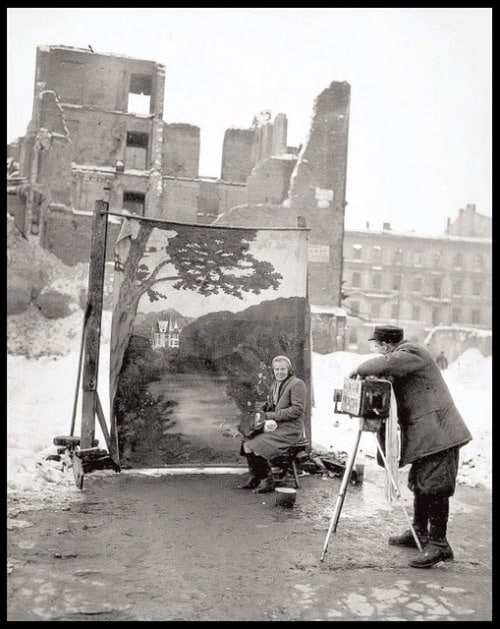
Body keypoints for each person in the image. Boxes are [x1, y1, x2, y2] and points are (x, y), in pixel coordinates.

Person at [349, 325, 472, 569]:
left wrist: (359, 370)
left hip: (441, 434)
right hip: (427, 436)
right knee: (419, 483)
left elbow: (384, 364)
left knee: (434, 487)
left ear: (386, 346)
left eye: (379, 347)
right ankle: (419, 532)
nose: (379, 351)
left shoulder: (412, 353)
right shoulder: (402, 362)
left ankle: (439, 544)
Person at [238, 355, 307, 494]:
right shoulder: (276, 384)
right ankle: (255, 477)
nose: (279, 372)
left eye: (282, 369)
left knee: (257, 444)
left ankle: (267, 480)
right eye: (277, 369)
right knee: (246, 442)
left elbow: (297, 410)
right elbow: (272, 404)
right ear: (273, 371)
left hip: (290, 429)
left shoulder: (297, 384)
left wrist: (272, 416)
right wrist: (263, 409)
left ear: (289, 370)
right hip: (277, 426)